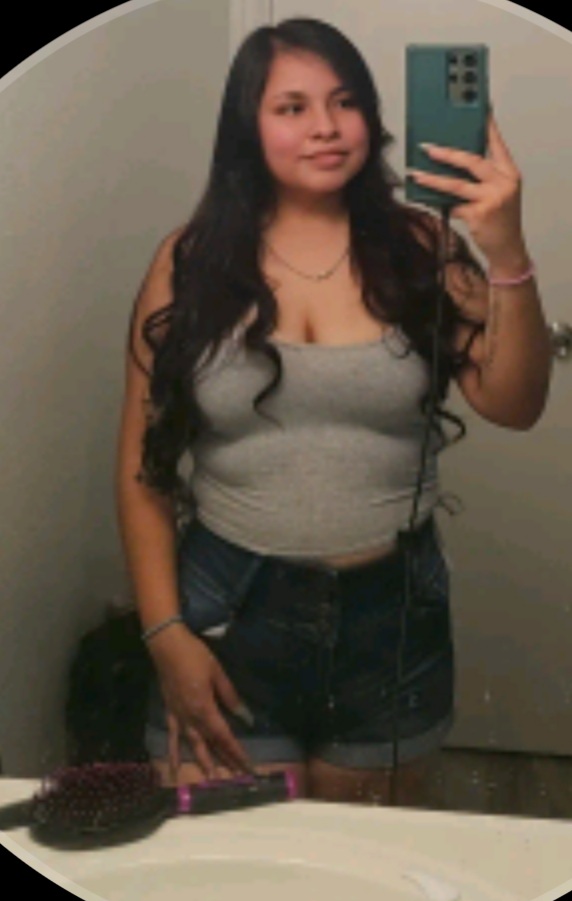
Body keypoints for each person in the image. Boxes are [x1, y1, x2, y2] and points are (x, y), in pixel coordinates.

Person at [115, 18, 552, 805]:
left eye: (345, 101)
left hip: (392, 617)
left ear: (371, 116)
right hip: (226, 607)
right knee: (230, 856)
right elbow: (141, 472)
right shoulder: (189, 262)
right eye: (292, 107)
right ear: (247, 127)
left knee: (359, 857)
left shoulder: (422, 246)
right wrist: (164, 633)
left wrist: (508, 253)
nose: (325, 125)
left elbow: (517, 404)